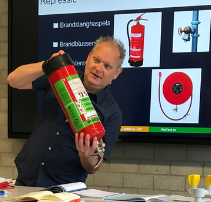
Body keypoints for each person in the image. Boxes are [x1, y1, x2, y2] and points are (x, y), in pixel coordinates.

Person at [8, 36, 124, 187]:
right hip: (26, 181)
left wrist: (86, 155)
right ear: (88, 58)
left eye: (107, 66)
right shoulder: (62, 78)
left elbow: (94, 167)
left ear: (116, 73)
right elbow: (13, 80)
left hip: (64, 191)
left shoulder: (112, 113)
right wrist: (48, 65)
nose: (98, 68)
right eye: (96, 60)